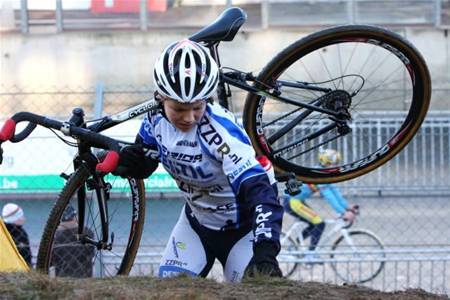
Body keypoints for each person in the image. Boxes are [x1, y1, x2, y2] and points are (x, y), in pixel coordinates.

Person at [112, 39, 284, 282]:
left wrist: (266, 250)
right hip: (195, 226)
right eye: (179, 109)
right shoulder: (154, 120)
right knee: (170, 293)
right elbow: (147, 161)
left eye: (196, 107)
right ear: (161, 99)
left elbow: (261, 194)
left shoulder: (221, 133)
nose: (189, 117)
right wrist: (132, 163)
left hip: (243, 233)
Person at [282, 149, 358, 260]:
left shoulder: (321, 171)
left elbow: (334, 191)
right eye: (333, 164)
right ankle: (310, 255)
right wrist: (343, 212)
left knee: (314, 224)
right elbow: (329, 196)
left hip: (295, 200)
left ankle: (295, 246)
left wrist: (346, 207)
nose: (335, 166)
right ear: (326, 163)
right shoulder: (319, 175)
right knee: (319, 223)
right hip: (293, 202)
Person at [51, 205, 95, 277]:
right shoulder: (87, 232)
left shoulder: (55, 235)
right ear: (75, 217)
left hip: (62, 276)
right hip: (84, 274)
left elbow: (52, 259)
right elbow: (91, 253)